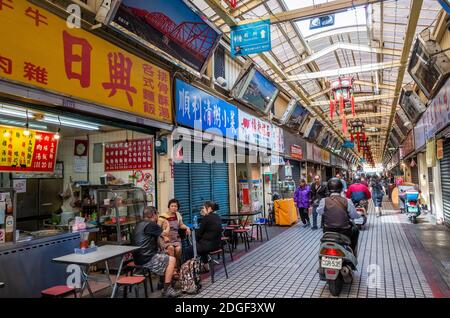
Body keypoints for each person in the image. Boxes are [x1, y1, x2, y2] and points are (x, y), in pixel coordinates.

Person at [132, 207, 181, 298]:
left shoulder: (139, 224)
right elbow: (165, 233)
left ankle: (162, 283)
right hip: (147, 258)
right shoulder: (151, 224)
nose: (158, 216)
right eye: (157, 214)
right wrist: (167, 224)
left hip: (137, 258)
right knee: (172, 260)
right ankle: (167, 290)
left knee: (165, 255)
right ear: (153, 214)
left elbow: (156, 238)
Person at [317, 178, 361, 256]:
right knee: (356, 230)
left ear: (328, 189)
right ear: (341, 189)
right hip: (344, 231)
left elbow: (320, 211)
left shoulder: (324, 200)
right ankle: (353, 253)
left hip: (328, 230)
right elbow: (354, 215)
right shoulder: (347, 201)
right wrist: (358, 215)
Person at [190, 201, 223, 272]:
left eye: (204, 208)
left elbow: (199, 234)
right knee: (200, 247)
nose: (202, 210)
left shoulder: (206, 218)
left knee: (190, 250)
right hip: (218, 245)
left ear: (210, 209)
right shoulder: (217, 217)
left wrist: (194, 238)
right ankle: (206, 266)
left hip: (209, 246)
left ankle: (190, 271)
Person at [158, 199, 191, 268]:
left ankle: (177, 266)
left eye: (175, 206)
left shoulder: (178, 215)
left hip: (175, 238)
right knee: (171, 248)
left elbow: (181, 225)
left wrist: (187, 227)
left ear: (178, 207)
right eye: (172, 206)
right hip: (165, 238)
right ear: (169, 207)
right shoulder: (162, 216)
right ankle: (171, 268)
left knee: (178, 249)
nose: (174, 208)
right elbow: (158, 229)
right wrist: (164, 237)